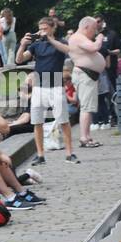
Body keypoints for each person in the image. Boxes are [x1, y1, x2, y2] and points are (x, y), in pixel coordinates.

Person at [15, 17, 77, 164]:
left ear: (52, 28)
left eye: (45, 28)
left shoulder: (60, 42)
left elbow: (67, 50)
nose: (42, 31)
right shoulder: (36, 45)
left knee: (63, 120)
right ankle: (41, 155)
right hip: (39, 86)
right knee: (37, 122)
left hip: (55, 84)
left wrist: (49, 39)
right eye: (40, 28)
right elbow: (19, 60)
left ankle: (69, 153)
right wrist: (22, 45)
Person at [68, 16, 106, 148]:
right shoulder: (77, 38)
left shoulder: (80, 38)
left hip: (88, 75)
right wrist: (100, 38)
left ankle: (87, 136)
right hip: (84, 75)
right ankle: (84, 137)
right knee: (86, 107)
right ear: (86, 27)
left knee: (89, 107)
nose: (95, 32)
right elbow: (94, 47)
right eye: (94, 29)